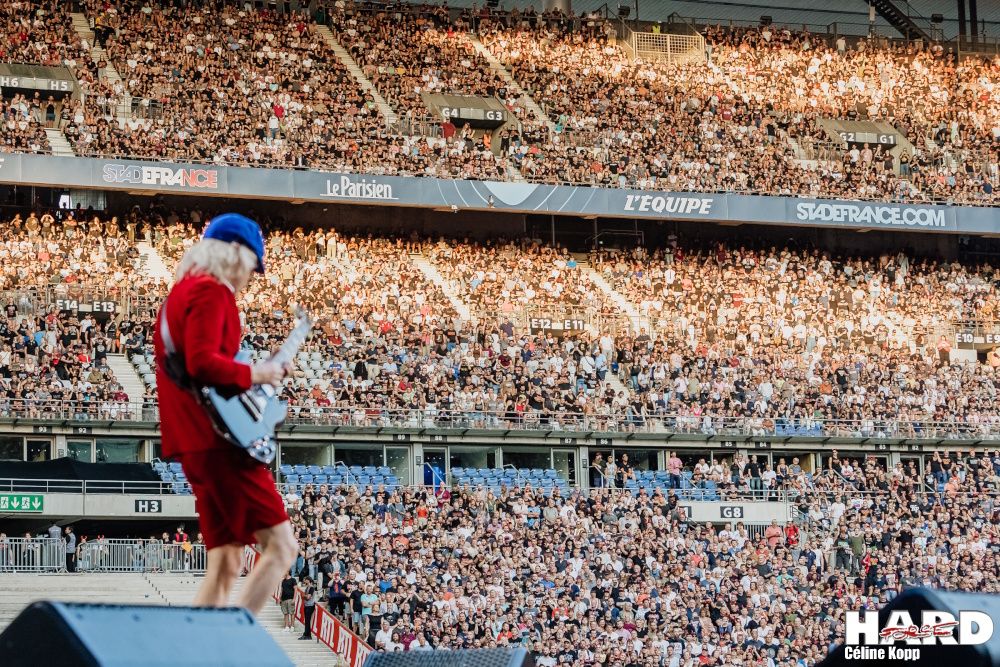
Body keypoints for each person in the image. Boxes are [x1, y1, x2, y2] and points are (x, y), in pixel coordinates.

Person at [154, 213, 296, 613]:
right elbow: (202, 363)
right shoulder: (212, 292)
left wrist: (251, 373)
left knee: (225, 561)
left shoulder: (178, 295)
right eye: (253, 265)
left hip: (193, 443)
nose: (251, 277)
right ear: (235, 252)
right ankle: (235, 639)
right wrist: (258, 373)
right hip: (220, 443)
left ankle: (199, 645)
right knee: (282, 546)